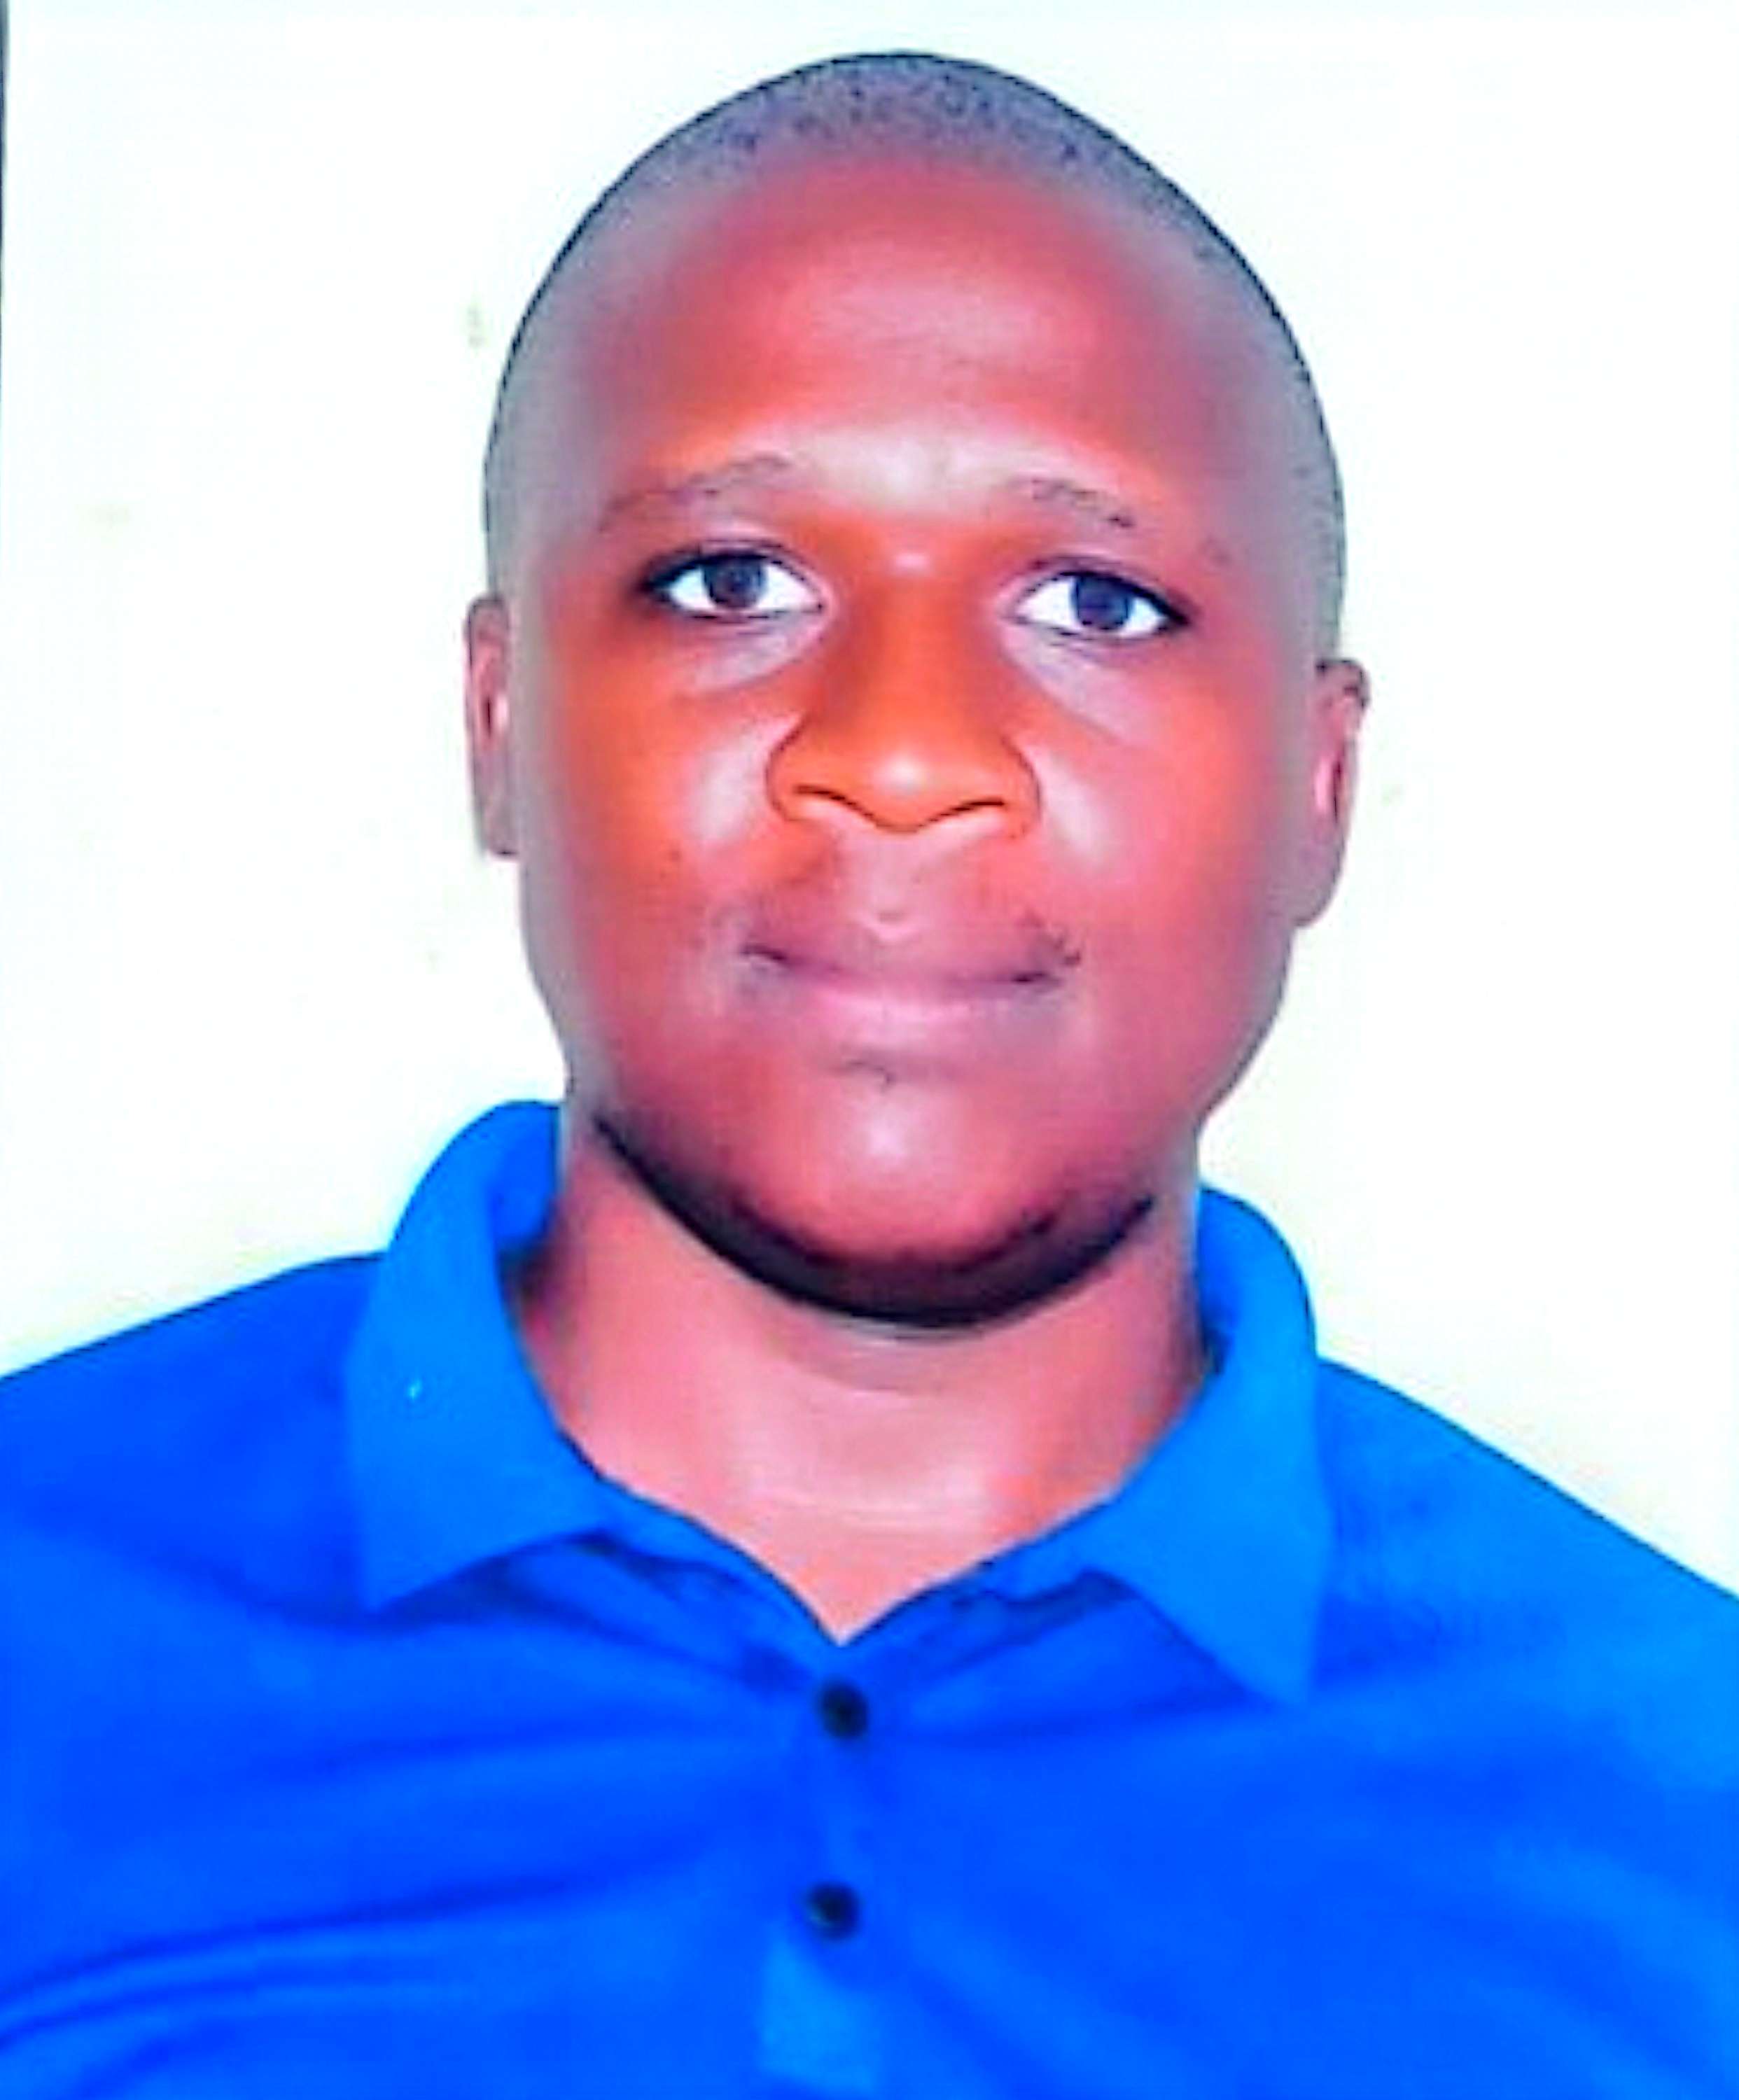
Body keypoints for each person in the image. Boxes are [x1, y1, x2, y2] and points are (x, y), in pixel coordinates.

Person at [1, 48, 1733, 2099]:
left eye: (1097, 603)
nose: (903, 756)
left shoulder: (1680, 1823)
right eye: (729, 584)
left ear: (1319, 784)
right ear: (500, 722)